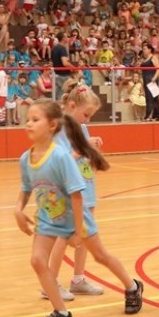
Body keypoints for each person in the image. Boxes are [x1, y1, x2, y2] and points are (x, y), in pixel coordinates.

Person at [14, 98, 144, 317]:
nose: (29, 124)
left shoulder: (60, 157)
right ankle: (61, 313)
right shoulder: (26, 158)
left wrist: (76, 230)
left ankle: (132, 286)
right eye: (27, 120)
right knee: (37, 260)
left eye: (35, 119)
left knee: (101, 256)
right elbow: (25, 189)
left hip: (75, 217)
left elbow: (76, 195)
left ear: (52, 125)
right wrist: (18, 210)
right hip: (47, 218)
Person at [44, 80, 109, 300]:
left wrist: (92, 149)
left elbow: (83, 155)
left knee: (85, 235)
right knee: (64, 236)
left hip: (85, 187)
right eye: (86, 114)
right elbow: (62, 161)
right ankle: (50, 283)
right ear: (72, 106)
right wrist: (84, 147)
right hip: (68, 191)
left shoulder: (81, 127)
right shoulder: (58, 129)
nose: (87, 120)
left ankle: (78, 279)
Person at [141, 42, 159, 121]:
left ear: (149, 50)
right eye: (143, 49)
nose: (143, 50)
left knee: (151, 97)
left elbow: (158, 68)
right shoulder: (144, 58)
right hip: (146, 79)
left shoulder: (153, 57)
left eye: (145, 49)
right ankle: (158, 115)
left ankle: (149, 116)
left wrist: (154, 78)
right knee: (151, 97)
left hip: (151, 79)